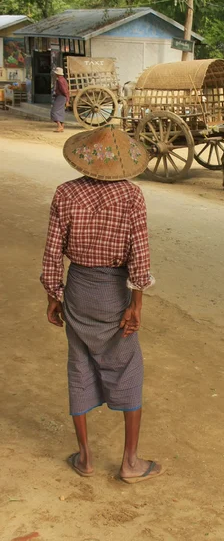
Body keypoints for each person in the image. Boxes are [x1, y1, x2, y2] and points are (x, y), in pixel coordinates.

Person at [41, 126, 165, 483]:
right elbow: (139, 257)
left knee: (78, 365)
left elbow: (52, 251)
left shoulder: (65, 193)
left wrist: (54, 294)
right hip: (115, 293)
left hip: (79, 290)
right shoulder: (132, 196)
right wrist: (136, 305)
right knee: (128, 367)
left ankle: (85, 458)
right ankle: (130, 463)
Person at [51, 67, 70, 133]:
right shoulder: (63, 79)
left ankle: (59, 126)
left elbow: (64, 90)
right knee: (61, 111)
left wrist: (67, 99)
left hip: (61, 97)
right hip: (63, 97)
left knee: (54, 111)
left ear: (57, 74)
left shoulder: (59, 80)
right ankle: (62, 126)